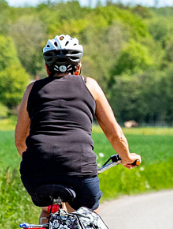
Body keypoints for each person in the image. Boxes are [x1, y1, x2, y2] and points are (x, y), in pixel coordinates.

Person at [14, 34, 140, 211]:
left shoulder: (32, 89)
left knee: (48, 211)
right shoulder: (90, 86)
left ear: (47, 68)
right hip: (79, 169)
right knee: (88, 221)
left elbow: (20, 141)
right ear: (78, 67)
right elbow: (114, 134)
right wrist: (127, 157)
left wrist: (41, 162)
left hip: (35, 172)